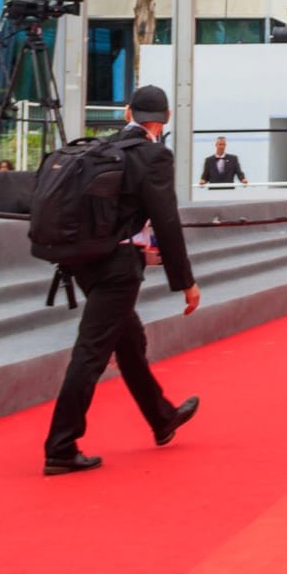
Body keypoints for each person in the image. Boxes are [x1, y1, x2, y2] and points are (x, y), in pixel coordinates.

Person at [43, 84, 200, 477]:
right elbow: (166, 221)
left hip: (83, 261)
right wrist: (185, 281)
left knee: (128, 342)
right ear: (163, 120)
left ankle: (161, 418)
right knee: (91, 351)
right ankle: (60, 445)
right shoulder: (153, 156)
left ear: (128, 113)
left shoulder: (100, 149)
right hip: (118, 267)